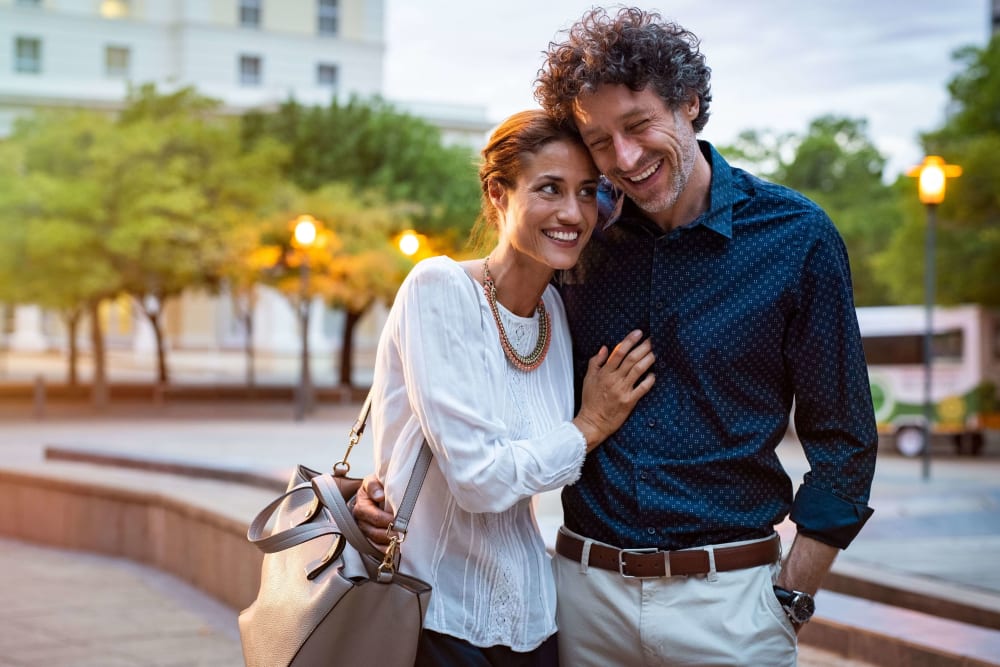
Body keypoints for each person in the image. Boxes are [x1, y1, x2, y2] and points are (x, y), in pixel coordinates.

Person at [357, 7, 879, 666]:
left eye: (638, 125)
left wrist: (789, 599)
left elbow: (846, 442)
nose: (625, 159)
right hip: (580, 602)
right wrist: (382, 482)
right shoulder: (579, 247)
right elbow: (478, 380)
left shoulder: (796, 238)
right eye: (600, 141)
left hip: (729, 604)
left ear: (688, 103)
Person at [365, 108, 655, 666]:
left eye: (586, 191)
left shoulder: (555, 309)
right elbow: (478, 482)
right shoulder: (439, 288)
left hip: (534, 623)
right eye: (550, 189)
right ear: (499, 193)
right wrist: (589, 426)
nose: (572, 213)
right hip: (436, 619)